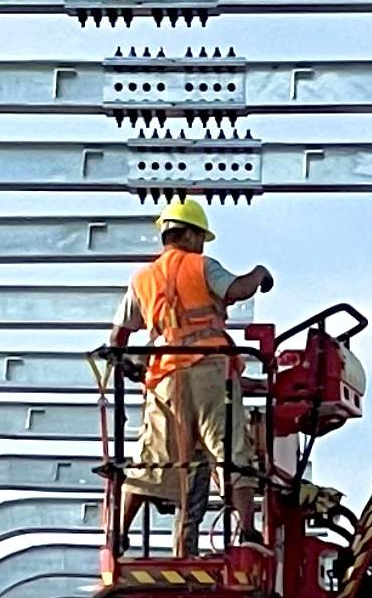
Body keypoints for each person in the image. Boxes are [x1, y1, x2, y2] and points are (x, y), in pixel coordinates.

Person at [104, 199, 274, 559]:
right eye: (202, 237)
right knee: (229, 449)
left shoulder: (142, 280)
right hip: (209, 371)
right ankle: (246, 530)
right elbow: (236, 290)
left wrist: (127, 366)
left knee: (152, 456)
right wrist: (259, 273)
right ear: (193, 234)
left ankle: (118, 534)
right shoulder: (201, 266)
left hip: (165, 379)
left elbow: (116, 338)